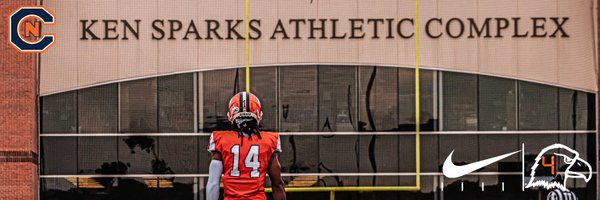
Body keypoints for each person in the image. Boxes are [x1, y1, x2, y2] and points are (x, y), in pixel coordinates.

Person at [206, 92, 286, 200]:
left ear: (231, 115)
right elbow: (277, 184)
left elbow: (213, 184)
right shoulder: (269, 141)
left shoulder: (221, 139)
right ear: (258, 115)